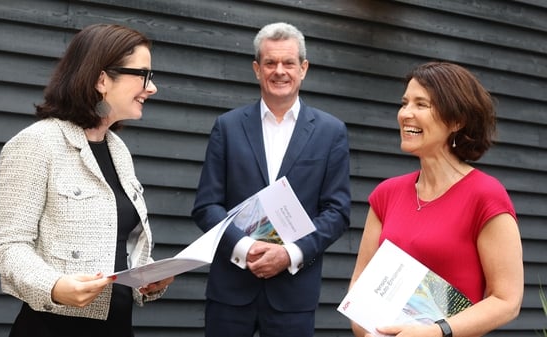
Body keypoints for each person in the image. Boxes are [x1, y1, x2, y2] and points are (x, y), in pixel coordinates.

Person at [0, 24, 173, 337]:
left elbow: (113, 244)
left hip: (117, 328)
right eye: (143, 74)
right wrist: (54, 286)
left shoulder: (118, 149)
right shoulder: (36, 143)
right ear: (102, 79)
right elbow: (8, 246)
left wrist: (147, 275)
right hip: (53, 329)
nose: (151, 87)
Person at [192, 22, 351, 337]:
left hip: (293, 295)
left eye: (289, 63)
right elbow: (207, 205)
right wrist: (246, 247)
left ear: (303, 68)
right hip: (230, 293)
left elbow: (337, 211)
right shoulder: (228, 126)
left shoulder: (331, 132)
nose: (280, 71)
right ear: (256, 68)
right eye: (270, 63)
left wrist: (289, 254)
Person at [349, 61, 524, 337]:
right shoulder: (386, 194)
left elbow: (507, 301)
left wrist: (434, 332)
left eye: (421, 104)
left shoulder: (486, 195)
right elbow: (359, 287)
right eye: (404, 103)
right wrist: (366, 330)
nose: (406, 113)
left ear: (457, 120)